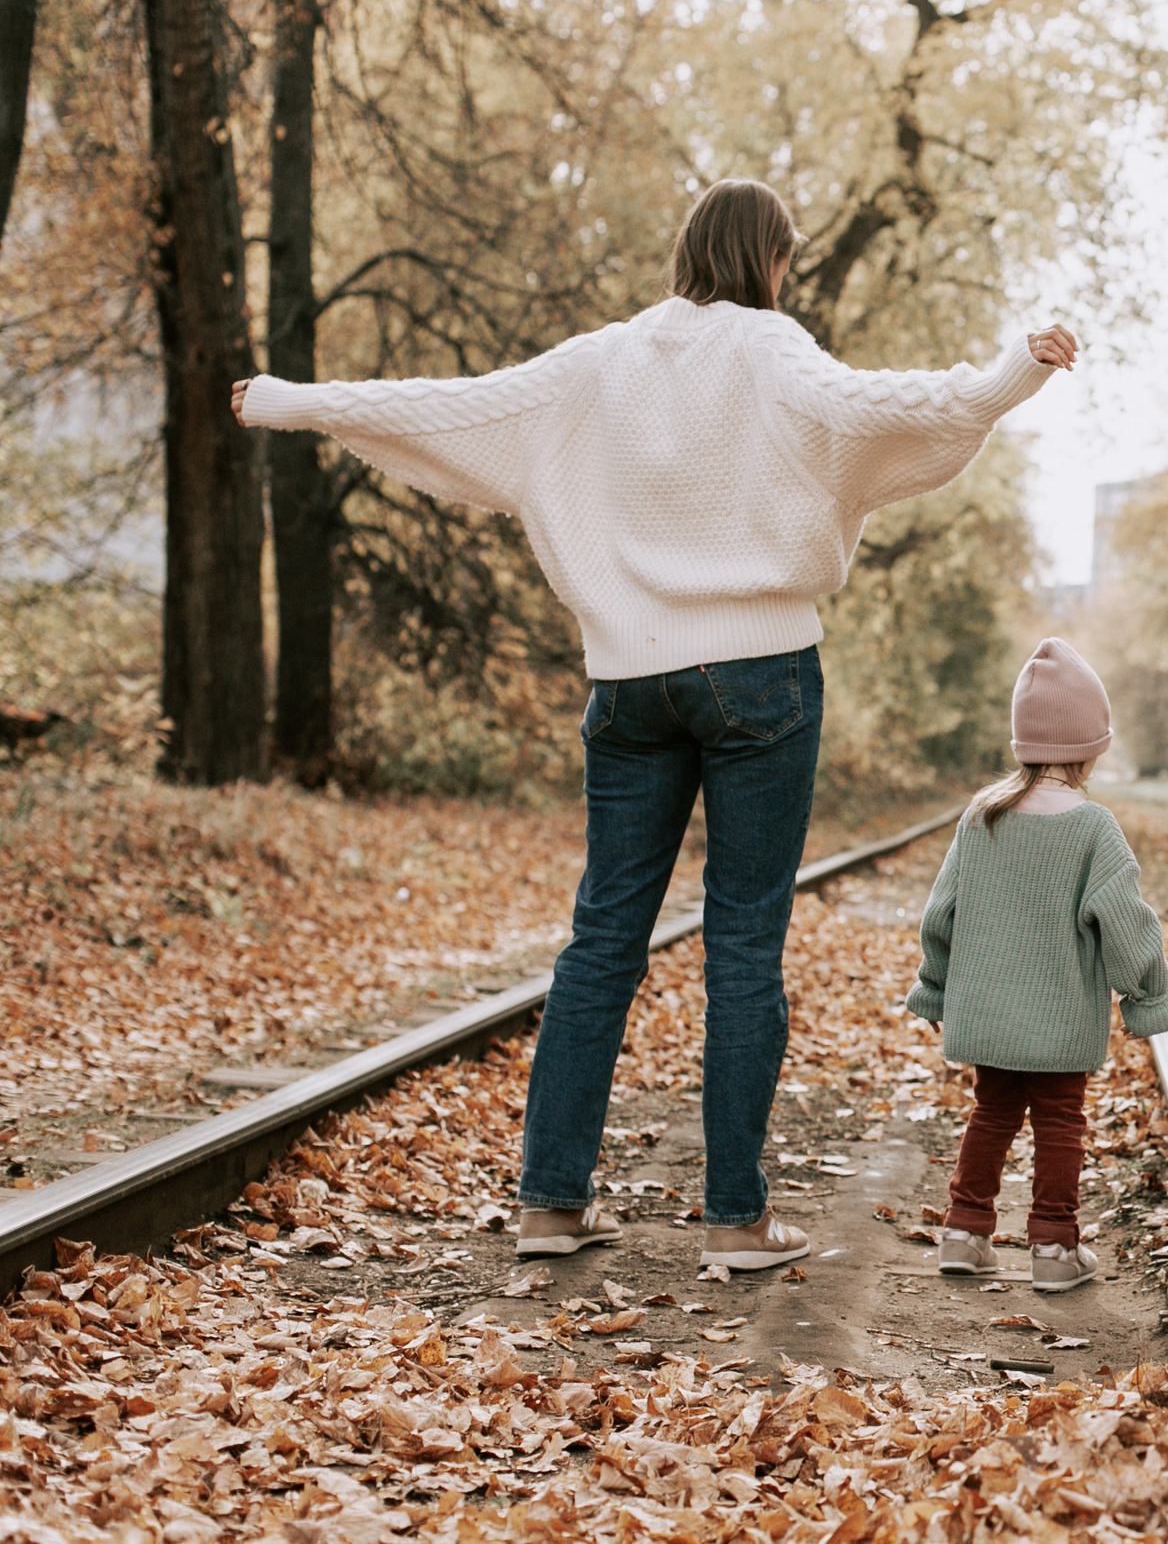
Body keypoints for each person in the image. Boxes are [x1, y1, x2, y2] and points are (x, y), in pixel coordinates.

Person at [231, 178, 1079, 1272]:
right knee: (742, 940)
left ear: (685, 251)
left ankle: (550, 1204)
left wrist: (299, 399)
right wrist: (1011, 373)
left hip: (627, 683)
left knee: (602, 939)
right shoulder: (773, 350)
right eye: (787, 258)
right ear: (767, 259)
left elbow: (455, 404)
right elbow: (881, 407)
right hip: (761, 675)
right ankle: (734, 1220)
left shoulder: (601, 362)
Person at [904, 638, 1168, 1293]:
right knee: (1061, 1119)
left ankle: (964, 1230)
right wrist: (1150, 997)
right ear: (1088, 748)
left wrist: (935, 987)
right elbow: (1128, 926)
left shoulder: (982, 817)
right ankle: (1054, 1246)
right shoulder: (1093, 828)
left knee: (991, 1111)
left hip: (991, 1016)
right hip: (1059, 1022)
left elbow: (939, 913)